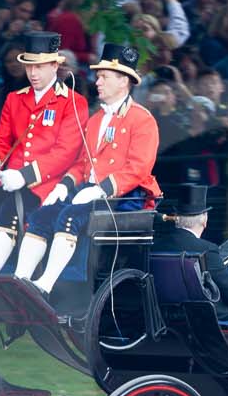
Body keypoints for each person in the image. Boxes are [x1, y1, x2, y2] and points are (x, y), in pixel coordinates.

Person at [25, 42, 162, 295]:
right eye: (98, 76)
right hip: (90, 190)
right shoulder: (95, 119)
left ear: (123, 81)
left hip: (125, 197)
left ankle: (46, 285)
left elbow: (138, 168)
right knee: (39, 217)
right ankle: (21, 281)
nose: (97, 82)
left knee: (69, 217)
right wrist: (64, 185)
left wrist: (101, 189)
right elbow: (82, 164)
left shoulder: (142, 119)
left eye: (104, 77)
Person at [0, 30, 85, 276]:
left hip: (44, 184)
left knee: (9, 216)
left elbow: (65, 152)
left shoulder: (73, 102)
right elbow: (1, 139)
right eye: (29, 67)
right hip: (7, 180)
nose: (33, 74)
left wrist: (24, 175)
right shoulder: (15, 99)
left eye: (39, 67)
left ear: (54, 66)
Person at [150, 184, 228, 313]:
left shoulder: (156, 246)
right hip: (208, 320)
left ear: (176, 218)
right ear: (204, 220)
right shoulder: (207, 249)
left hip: (166, 318)